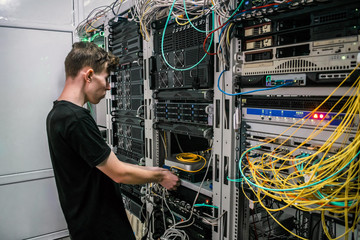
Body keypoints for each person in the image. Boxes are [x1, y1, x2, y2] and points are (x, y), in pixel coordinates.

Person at [46, 42, 179, 240]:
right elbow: (118, 173)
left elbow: (109, 166)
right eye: (107, 79)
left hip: (85, 224)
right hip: (100, 228)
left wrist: (157, 171)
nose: (109, 87)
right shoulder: (75, 118)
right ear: (89, 75)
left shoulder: (57, 113)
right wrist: (161, 177)